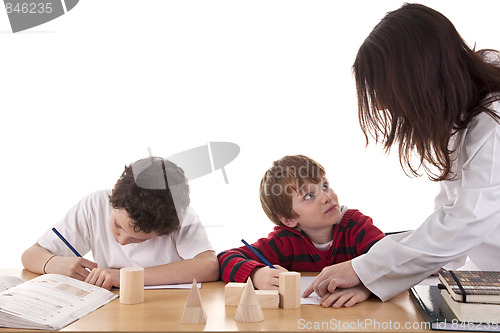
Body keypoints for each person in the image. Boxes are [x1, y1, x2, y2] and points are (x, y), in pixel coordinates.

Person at [303, 3, 500, 305]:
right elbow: (449, 217)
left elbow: (465, 223)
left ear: (418, 77)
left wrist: (366, 270)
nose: (382, 105)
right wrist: (374, 278)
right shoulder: (465, 105)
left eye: (386, 90)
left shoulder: (493, 121)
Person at [22, 157, 219, 290]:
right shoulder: (95, 204)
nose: (122, 241)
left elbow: (209, 266)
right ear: (114, 196)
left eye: (138, 239)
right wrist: (52, 262)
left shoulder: (181, 217)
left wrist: (126, 277)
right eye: (118, 225)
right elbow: (30, 255)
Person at [218, 155, 385, 307]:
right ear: (288, 219)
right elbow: (225, 259)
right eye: (309, 196)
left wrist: (364, 287)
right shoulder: (285, 241)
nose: (326, 197)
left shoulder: (356, 226)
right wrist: (257, 275)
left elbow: (391, 259)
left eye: (325, 186)